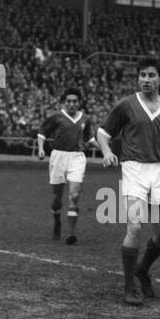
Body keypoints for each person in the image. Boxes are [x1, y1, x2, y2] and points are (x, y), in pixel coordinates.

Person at [97, 58, 160, 306]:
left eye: (151, 75)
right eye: (142, 75)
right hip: (133, 168)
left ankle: (142, 270)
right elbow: (103, 133)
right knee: (135, 226)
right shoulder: (126, 105)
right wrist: (107, 152)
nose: (146, 79)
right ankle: (130, 286)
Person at [37, 88, 98, 244]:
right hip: (58, 157)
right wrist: (41, 148)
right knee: (57, 196)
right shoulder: (56, 117)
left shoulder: (85, 118)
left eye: (75, 101)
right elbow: (42, 131)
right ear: (64, 102)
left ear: (79, 103)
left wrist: (104, 149)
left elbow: (89, 138)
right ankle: (57, 221)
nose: (72, 104)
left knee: (74, 195)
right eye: (69, 101)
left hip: (77, 157)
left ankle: (71, 234)